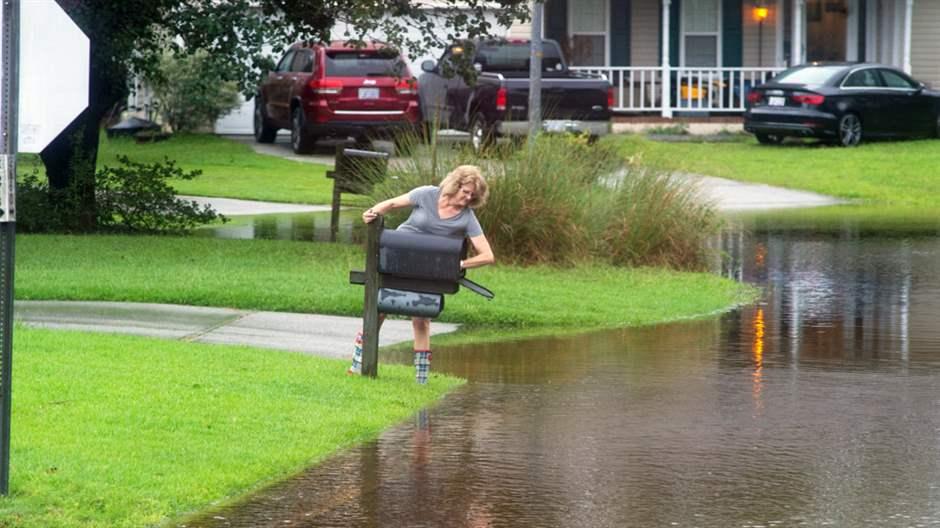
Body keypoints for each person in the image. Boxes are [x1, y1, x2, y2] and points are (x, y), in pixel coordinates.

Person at [348, 165, 495, 383]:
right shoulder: (426, 194)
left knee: (421, 319)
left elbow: (487, 255)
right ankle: (357, 364)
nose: (468, 198)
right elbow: (391, 204)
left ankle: (421, 379)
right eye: (465, 192)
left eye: (473, 195)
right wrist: (372, 212)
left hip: (428, 269)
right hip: (398, 258)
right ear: (455, 185)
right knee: (379, 309)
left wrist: (459, 263)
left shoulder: (467, 217)